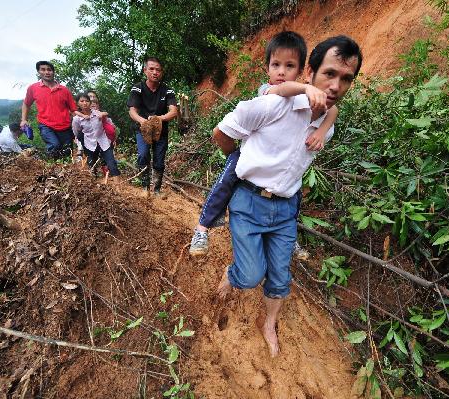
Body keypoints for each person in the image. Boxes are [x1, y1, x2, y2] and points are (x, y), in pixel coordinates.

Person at [214, 35, 362, 357]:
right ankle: (234, 273)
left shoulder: (328, 121)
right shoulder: (272, 103)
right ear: (310, 72)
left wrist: (322, 128)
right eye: (330, 74)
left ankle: (268, 323)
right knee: (251, 274)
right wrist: (238, 161)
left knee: (280, 277)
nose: (336, 85)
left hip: (285, 210)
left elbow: (330, 115)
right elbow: (221, 134)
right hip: (249, 201)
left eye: (346, 78)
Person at [189, 31, 337, 259]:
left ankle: (290, 239)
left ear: (300, 71)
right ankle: (202, 229)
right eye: (275, 64)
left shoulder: (302, 99)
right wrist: (233, 154)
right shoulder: (267, 92)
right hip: (247, 154)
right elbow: (283, 90)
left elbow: (333, 109)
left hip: (278, 161)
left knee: (292, 192)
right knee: (224, 185)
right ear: (267, 68)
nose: (281, 71)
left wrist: (322, 130)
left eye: (289, 66)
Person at [127, 57, 178, 194]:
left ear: (161, 72)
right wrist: (143, 121)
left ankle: (156, 190)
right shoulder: (138, 88)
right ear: (145, 71)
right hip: (143, 129)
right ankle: (145, 187)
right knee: (143, 155)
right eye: (151, 69)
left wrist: (158, 118)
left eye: (158, 70)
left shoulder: (167, 90)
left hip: (161, 129)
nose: (155, 72)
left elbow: (173, 111)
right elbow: (132, 111)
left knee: (159, 160)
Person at [20, 61, 78, 158]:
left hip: (65, 126)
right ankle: (49, 168)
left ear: (53, 72)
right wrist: (23, 120)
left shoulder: (64, 90)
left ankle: (62, 171)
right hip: (46, 125)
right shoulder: (33, 88)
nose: (47, 72)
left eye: (49, 70)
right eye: (43, 69)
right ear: (39, 72)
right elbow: (26, 104)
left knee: (67, 152)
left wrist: (80, 127)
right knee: (54, 146)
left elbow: (73, 110)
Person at [71, 93, 120, 178]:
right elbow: (76, 131)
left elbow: (105, 113)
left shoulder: (96, 113)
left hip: (103, 141)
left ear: (90, 102)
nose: (85, 103)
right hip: (89, 143)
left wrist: (102, 114)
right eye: (82, 101)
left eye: (87, 101)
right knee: (91, 165)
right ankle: (95, 184)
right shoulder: (77, 119)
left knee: (111, 163)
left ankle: (118, 186)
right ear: (78, 103)